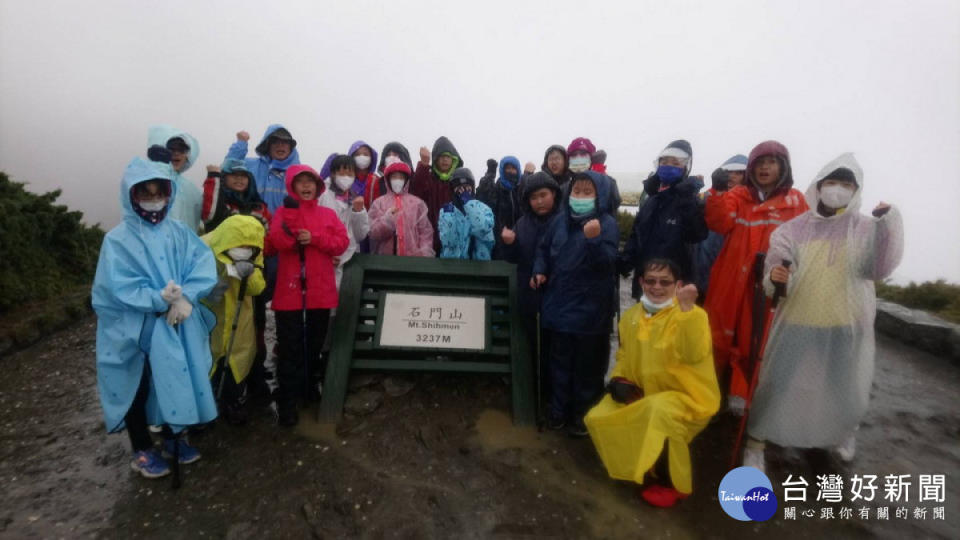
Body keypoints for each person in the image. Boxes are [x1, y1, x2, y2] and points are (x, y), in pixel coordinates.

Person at [743, 154, 903, 473]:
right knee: (776, 382)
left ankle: (844, 432)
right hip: (799, 321)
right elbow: (776, 270)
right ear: (818, 186)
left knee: (844, 386)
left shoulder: (865, 228)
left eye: (846, 184)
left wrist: (888, 224)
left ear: (856, 190)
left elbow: (877, 268)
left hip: (846, 323)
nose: (837, 190)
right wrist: (776, 277)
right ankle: (755, 443)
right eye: (831, 182)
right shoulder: (794, 230)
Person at [92, 157, 218, 478]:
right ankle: (141, 448)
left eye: (157, 191)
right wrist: (157, 299)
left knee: (175, 377)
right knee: (138, 384)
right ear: (131, 195)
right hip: (133, 329)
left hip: (176, 323)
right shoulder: (117, 240)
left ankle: (174, 437)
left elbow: (201, 266)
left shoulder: (179, 233)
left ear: (168, 192)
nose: (152, 199)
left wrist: (186, 296)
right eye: (144, 192)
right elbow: (115, 286)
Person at [585, 259, 720, 508]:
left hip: (686, 398)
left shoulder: (692, 315)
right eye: (651, 281)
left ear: (678, 285)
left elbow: (693, 353)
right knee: (597, 416)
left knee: (658, 413)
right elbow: (624, 355)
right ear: (641, 282)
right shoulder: (631, 316)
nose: (657, 287)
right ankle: (640, 463)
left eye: (665, 282)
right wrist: (618, 379)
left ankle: (673, 484)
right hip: (644, 391)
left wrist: (688, 310)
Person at [703, 141, 809, 416]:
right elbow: (720, 222)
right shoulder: (739, 195)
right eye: (760, 163)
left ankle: (750, 401)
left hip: (768, 284)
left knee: (758, 341)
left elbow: (805, 243)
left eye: (771, 162)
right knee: (718, 338)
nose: (765, 168)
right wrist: (715, 193)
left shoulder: (796, 201)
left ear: (783, 167)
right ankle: (712, 396)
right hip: (730, 280)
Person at [532, 172, 618, 436]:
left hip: (591, 314)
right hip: (559, 308)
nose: (580, 197)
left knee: (588, 369)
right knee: (559, 364)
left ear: (599, 196)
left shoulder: (607, 224)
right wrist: (539, 270)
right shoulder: (559, 222)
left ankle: (582, 416)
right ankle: (558, 411)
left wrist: (593, 241)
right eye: (576, 192)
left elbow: (609, 264)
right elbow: (543, 250)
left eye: (587, 192)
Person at [266, 165, 349, 426]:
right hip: (290, 293)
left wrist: (314, 237)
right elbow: (277, 242)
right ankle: (287, 400)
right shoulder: (282, 212)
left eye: (309, 182)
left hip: (319, 292)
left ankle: (308, 387)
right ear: (292, 186)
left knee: (314, 345)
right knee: (289, 348)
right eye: (300, 182)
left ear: (317, 186)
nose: (305, 186)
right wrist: (292, 222)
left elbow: (341, 242)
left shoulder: (327, 213)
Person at [501, 171, 562, 414]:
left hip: (557, 298)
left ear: (554, 195)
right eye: (534, 197)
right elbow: (513, 259)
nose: (539, 201)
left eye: (543, 195)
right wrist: (509, 244)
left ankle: (554, 398)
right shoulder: (523, 224)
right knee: (534, 348)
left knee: (555, 351)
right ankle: (535, 396)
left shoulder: (564, 220)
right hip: (529, 297)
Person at [619, 140, 707, 299]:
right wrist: (625, 262)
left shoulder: (689, 199)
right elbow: (636, 235)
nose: (668, 166)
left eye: (675, 163)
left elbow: (697, 234)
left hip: (675, 286)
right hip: (646, 281)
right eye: (664, 162)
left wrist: (687, 197)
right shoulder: (651, 200)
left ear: (685, 168)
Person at [201, 215, 266, 425]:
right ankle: (204, 406)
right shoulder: (203, 247)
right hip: (210, 316)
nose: (245, 248)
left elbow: (258, 288)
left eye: (249, 246)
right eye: (240, 245)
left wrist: (249, 275)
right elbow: (189, 282)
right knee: (206, 360)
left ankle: (231, 400)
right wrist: (212, 286)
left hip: (240, 314)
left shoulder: (255, 248)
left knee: (237, 358)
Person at [692, 154, 748, 298]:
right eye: (728, 172)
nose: (732, 176)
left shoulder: (749, 205)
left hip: (726, 275)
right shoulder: (704, 198)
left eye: (738, 173)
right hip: (697, 271)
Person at [318, 154, 370, 287]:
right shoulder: (322, 196)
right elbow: (316, 229)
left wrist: (358, 212)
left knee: (344, 301)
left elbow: (360, 235)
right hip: (323, 259)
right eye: (342, 172)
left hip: (349, 259)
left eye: (350, 172)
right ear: (334, 174)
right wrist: (325, 255)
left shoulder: (355, 200)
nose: (346, 176)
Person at [225, 125, 300, 214]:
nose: (280, 145)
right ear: (267, 145)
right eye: (275, 141)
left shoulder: (299, 174)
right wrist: (241, 143)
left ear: (291, 147)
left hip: (282, 227)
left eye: (285, 142)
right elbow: (228, 167)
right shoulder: (250, 165)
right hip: (250, 224)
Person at [368, 162, 435, 257]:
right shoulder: (379, 203)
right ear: (388, 179)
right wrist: (387, 220)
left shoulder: (417, 203)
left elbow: (425, 231)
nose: (398, 180)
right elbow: (373, 233)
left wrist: (424, 252)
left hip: (413, 262)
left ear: (406, 180)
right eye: (394, 177)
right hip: (384, 262)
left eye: (401, 177)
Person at [410, 136, 465, 253]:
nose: (445, 160)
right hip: (429, 240)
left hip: (455, 244)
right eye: (441, 156)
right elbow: (416, 193)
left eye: (448, 157)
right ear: (435, 159)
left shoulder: (458, 182)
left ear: (453, 160)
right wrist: (423, 165)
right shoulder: (429, 179)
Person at [146, 125, 203, 233]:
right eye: (171, 149)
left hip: (184, 248)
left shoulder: (192, 191)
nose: (176, 153)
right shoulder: (146, 181)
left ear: (188, 155)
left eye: (182, 150)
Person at [437, 168, 495, 260]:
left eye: (467, 186)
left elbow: (481, 229)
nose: (463, 190)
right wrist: (448, 215)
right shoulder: (447, 210)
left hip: (479, 266)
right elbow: (449, 241)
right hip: (451, 266)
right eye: (459, 187)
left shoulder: (483, 209)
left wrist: (469, 203)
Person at [201, 157, 270, 232]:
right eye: (233, 174)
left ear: (249, 179)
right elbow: (209, 216)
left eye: (244, 175)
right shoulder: (220, 204)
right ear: (223, 178)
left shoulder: (260, 208)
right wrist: (213, 176)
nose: (239, 178)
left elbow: (269, 234)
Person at [477, 156, 523, 260]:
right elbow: (482, 197)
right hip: (496, 246)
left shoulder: (520, 192)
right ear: (502, 170)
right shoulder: (496, 189)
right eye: (507, 168)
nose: (510, 171)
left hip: (517, 245)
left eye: (513, 168)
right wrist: (489, 175)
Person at [364, 141, 414, 209]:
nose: (391, 157)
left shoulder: (413, 182)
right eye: (388, 155)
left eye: (395, 154)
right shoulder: (378, 183)